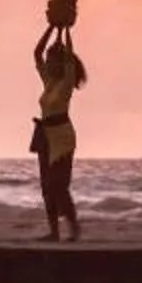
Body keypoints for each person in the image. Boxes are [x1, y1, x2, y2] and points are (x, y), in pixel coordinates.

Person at [31, 23, 88, 243]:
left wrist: (64, 32)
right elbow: (36, 53)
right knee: (46, 186)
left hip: (62, 135)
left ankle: (73, 227)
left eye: (52, 59)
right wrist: (51, 27)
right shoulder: (48, 81)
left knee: (59, 184)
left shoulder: (65, 82)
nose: (48, 62)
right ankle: (53, 231)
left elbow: (68, 62)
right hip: (45, 133)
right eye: (48, 59)